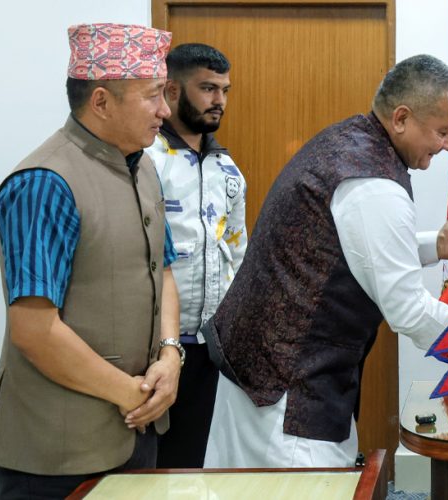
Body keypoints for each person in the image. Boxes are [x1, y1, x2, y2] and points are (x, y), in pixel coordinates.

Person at [202, 54, 448, 468]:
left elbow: (350, 248)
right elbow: (409, 311)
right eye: (444, 131)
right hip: (286, 388)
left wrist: (435, 246)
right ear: (401, 118)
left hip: (258, 367)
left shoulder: (348, 141)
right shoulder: (374, 183)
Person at [0, 23, 183, 498]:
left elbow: (163, 271)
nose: (165, 110)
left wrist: (170, 355)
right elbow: (35, 330)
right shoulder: (45, 182)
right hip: (57, 453)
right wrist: (131, 393)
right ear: (100, 102)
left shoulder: (143, 168)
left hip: (137, 431)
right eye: (153, 95)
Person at [144, 43, 246, 468]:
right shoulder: (145, 161)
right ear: (171, 90)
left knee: (197, 462)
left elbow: (238, 255)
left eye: (224, 90)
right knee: (149, 467)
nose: (219, 100)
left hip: (210, 348)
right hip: (152, 346)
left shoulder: (228, 170)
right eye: (207, 88)